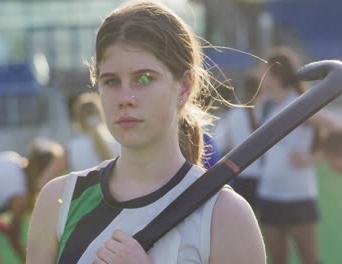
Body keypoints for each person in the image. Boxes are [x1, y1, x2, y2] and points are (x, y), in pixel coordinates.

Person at [26, 1, 265, 263]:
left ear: (184, 86)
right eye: (111, 81)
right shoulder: (59, 200)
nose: (125, 98)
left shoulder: (226, 215)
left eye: (144, 79)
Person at [256, 47, 340, 264]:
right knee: (277, 260)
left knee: (309, 259)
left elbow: (336, 127)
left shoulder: (299, 103)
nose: (259, 75)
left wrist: (313, 158)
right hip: (269, 194)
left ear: (275, 75)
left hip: (298, 196)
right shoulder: (264, 104)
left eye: (263, 70)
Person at [34, 92, 120, 189]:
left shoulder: (72, 148)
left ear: (78, 120)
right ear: (102, 115)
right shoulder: (120, 142)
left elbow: (42, 183)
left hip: (86, 202)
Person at [215, 73, 265, 210]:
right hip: (262, 178)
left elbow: (223, 144)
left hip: (240, 175)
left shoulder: (234, 114)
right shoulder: (265, 113)